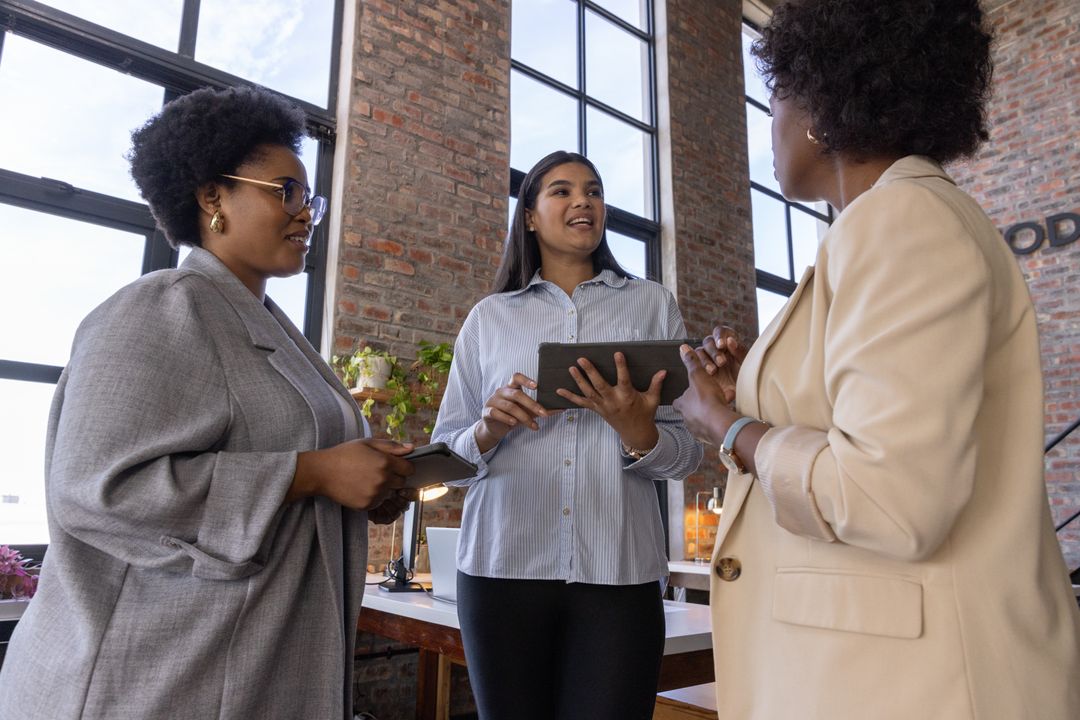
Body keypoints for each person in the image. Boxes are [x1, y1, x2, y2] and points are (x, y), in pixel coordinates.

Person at [672, 2, 1080, 718]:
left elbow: (890, 498)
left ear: (822, 113)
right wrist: (753, 398)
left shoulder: (900, 222)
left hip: (912, 684)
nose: (767, 127)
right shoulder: (896, 223)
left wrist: (727, 425)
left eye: (775, 99)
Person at [0, 86, 418, 720]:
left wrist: (365, 486)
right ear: (212, 197)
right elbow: (95, 489)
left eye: (310, 197)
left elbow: (306, 470)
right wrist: (315, 473)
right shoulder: (159, 307)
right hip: (155, 677)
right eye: (286, 191)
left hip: (251, 663)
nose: (306, 213)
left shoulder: (276, 331)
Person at [431, 150, 703, 720]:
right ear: (529, 216)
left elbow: (686, 456)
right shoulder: (488, 318)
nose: (584, 200)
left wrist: (639, 434)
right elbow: (446, 460)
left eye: (594, 190)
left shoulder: (652, 305)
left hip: (620, 575)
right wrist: (487, 427)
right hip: (501, 571)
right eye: (562, 191)